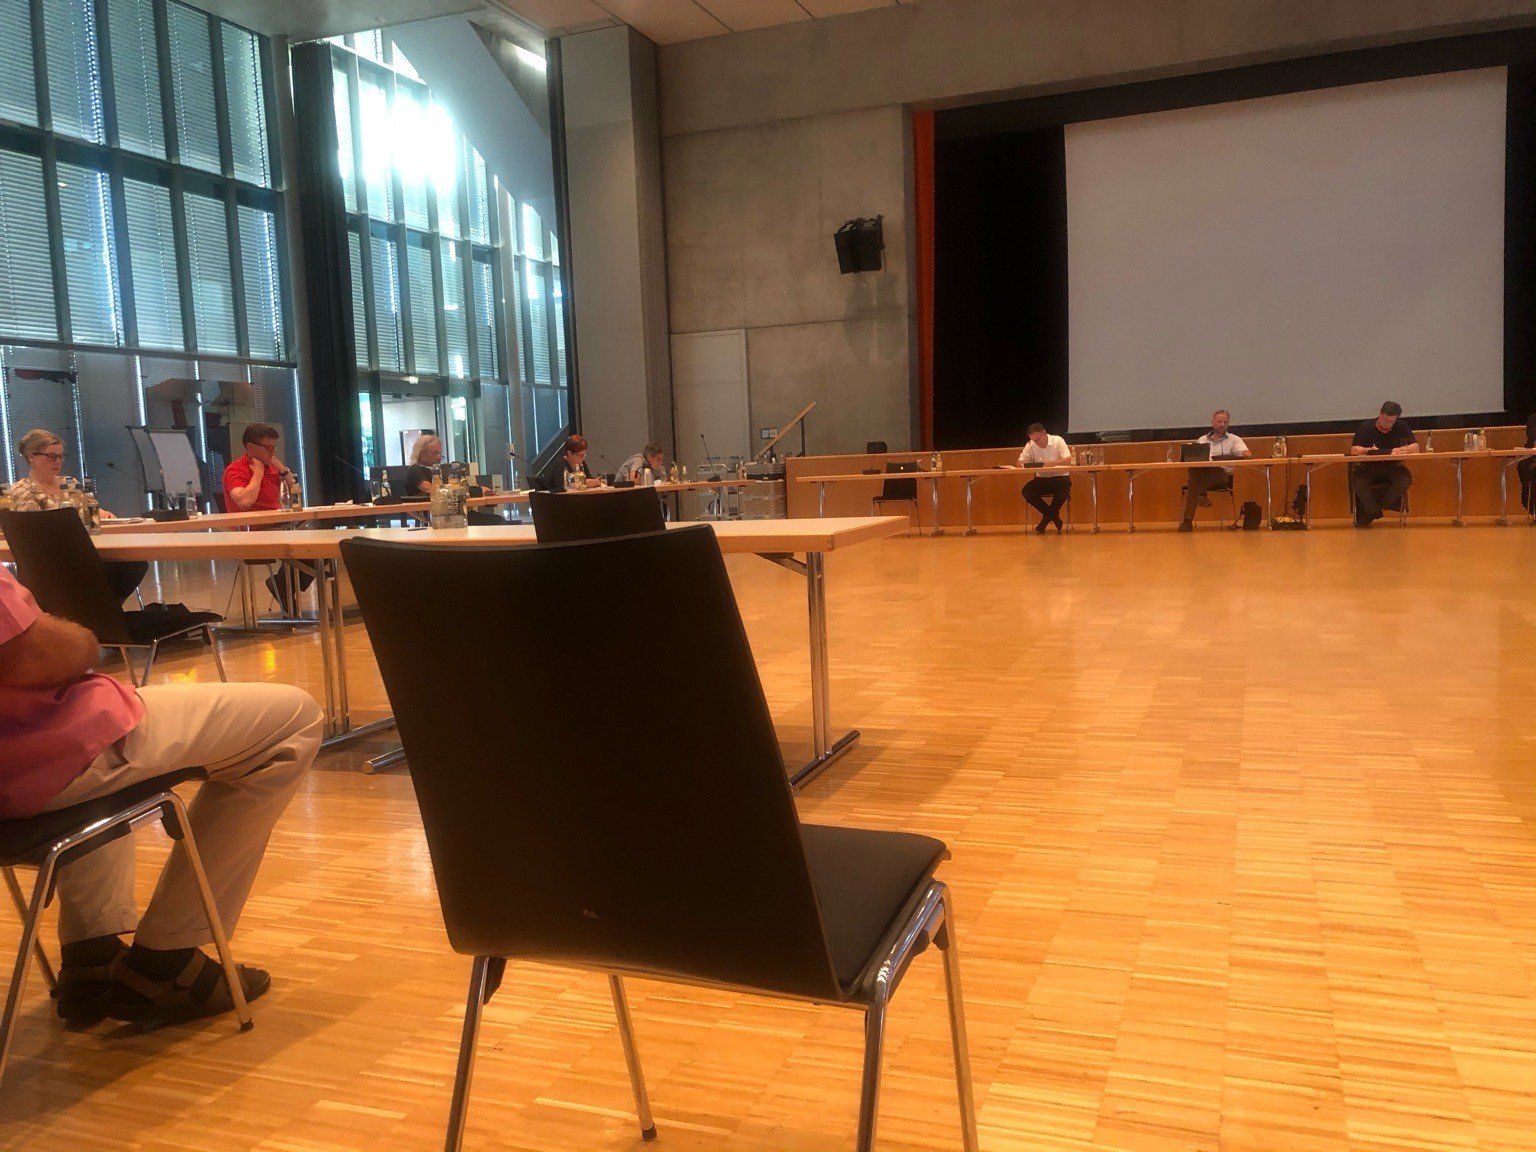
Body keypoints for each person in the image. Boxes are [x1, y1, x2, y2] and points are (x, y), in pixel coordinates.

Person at [0, 563, 322, 1024]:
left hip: (23, 764)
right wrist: (79, 638)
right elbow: (33, 653)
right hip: (33, 757)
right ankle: (166, 963)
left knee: (107, 755)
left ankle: (94, 956)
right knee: (295, 721)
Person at [5, 428, 150, 602]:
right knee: (119, 572)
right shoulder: (23, 490)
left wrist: (101, 513)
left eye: (61, 456)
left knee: (134, 565)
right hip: (53, 562)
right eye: (51, 456)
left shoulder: (70, 483)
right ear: (32, 457)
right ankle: (100, 609)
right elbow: (33, 533)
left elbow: (91, 512)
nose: (58, 461)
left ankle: (103, 609)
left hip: (86, 551)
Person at [222, 423, 313, 614]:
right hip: (251, 533)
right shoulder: (236, 469)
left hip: (278, 526)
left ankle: (282, 584)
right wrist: (257, 475)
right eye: (268, 448)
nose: (272, 453)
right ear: (250, 447)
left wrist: (283, 470)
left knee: (319, 547)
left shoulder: (272, 468)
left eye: (274, 448)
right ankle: (283, 586)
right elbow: (244, 501)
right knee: (310, 548)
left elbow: (295, 492)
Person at [1349, 401, 1419, 527]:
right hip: (1368, 466)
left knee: (1405, 479)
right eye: (1384, 420)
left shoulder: (1401, 426)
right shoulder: (1366, 427)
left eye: (1391, 422)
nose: (1387, 424)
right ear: (1380, 414)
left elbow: (1416, 447)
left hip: (1393, 466)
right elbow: (1354, 450)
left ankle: (1382, 504)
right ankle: (1374, 512)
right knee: (1358, 482)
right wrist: (1368, 450)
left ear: (1396, 419)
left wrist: (1403, 449)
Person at [1178, 409, 1250, 532]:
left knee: (1194, 479)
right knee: (1194, 471)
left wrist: (1244, 453)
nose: (1222, 424)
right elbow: (1194, 458)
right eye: (1219, 421)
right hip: (1201, 473)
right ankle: (1198, 499)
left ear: (1228, 423)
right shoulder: (1203, 440)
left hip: (1222, 476)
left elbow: (1245, 453)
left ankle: (1188, 519)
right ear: (1213, 423)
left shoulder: (1234, 439)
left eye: (1225, 422)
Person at [1016, 423, 1073, 533]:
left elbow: (1068, 460)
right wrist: (1027, 463)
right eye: (1034, 440)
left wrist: (1051, 464)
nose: (1036, 443)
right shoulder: (1031, 445)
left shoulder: (1057, 441)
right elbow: (1019, 463)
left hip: (1060, 477)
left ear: (1044, 433)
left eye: (1038, 439)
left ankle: (1044, 521)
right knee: (1027, 491)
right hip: (1042, 478)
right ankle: (1054, 517)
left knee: (1063, 490)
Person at [533, 434, 602, 492]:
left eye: (584, 454)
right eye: (580, 455)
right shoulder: (560, 464)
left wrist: (595, 482)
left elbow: (589, 478)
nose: (583, 458)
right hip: (555, 500)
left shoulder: (582, 463)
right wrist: (584, 483)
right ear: (569, 453)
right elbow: (561, 487)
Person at [401, 434, 444, 500]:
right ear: (420, 452)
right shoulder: (415, 470)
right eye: (435, 453)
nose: (439, 458)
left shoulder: (439, 470)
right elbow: (430, 490)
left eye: (440, 454)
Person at [1519, 411, 1536, 516]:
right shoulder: (1533, 418)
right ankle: (1530, 506)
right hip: (1532, 455)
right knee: (1523, 465)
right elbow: (1530, 436)